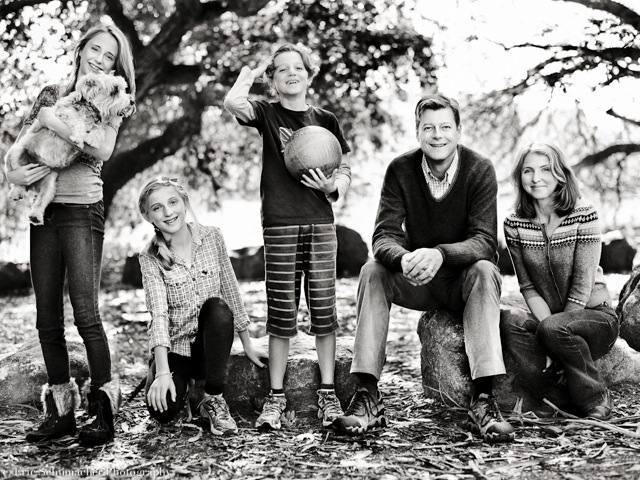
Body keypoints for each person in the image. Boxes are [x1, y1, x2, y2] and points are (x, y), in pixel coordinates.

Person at [332, 93, 515, 443]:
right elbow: (384, 235)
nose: (437, 135)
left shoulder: (479, 169)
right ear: (417, 132)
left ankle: (483, 399)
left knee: (485, 270)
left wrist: (441, 254)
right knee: (372, 271)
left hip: (462, 282)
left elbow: (484, 241)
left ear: (458, 131)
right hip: (417, 279)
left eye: (445, 127)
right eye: (428, 128)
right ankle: (367, 395)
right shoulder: (400, 170)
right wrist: (403, 258)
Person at [5, 23, 136, 446]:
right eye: (95, 49)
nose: (99, 59)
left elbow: (102, 149)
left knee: (86, 314)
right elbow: (22, 144)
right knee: (47, 317)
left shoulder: (113, 99)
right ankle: (60, 412)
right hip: (44, 211)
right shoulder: (51, 93)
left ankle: (103, 410)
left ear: (115, 67)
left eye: (109, 56)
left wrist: (55, 124)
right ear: (81, 51)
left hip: (82, 211)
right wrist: (13, 174)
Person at [223, 43, 352, 431]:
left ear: (310, 76)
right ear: (273, 80)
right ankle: (276, 397)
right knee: (280, 314)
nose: (291, 73)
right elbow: (232, 102)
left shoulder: (326, 119)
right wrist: (250, 74)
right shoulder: (267, 113)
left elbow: (345, 170)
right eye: (281, 69)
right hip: (279, 224)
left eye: (298, 68)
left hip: (321, 223)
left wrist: (333, 186)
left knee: (324, 312)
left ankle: (327, 393)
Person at [137, 176, 267, 435]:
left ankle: (213, 398)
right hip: (176, 348)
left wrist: (247, 343)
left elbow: (230, 288)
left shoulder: (212, 236)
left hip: (209, 347)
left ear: (184, 203)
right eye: (157, 208)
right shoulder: (149, 257)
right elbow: (158, 315)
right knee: (163, 412)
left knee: (218, 308)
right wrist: (162, 373)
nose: (168, 212)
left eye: (173, 202)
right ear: (149, 217)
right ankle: (185, 387)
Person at [501, 143, 619, 420]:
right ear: (520, 177)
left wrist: (551, 333)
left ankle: (595, 397)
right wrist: (548, 332)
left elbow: (582, 284)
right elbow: (527, 286)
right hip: (550, 321)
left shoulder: (584, 214)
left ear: (560, 174)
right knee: (510, 321)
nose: (536, 178)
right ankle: (551, 395)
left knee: (555, 327)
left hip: (594, 317)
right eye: (528, 171)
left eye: (545, 169)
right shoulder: (514, 223)